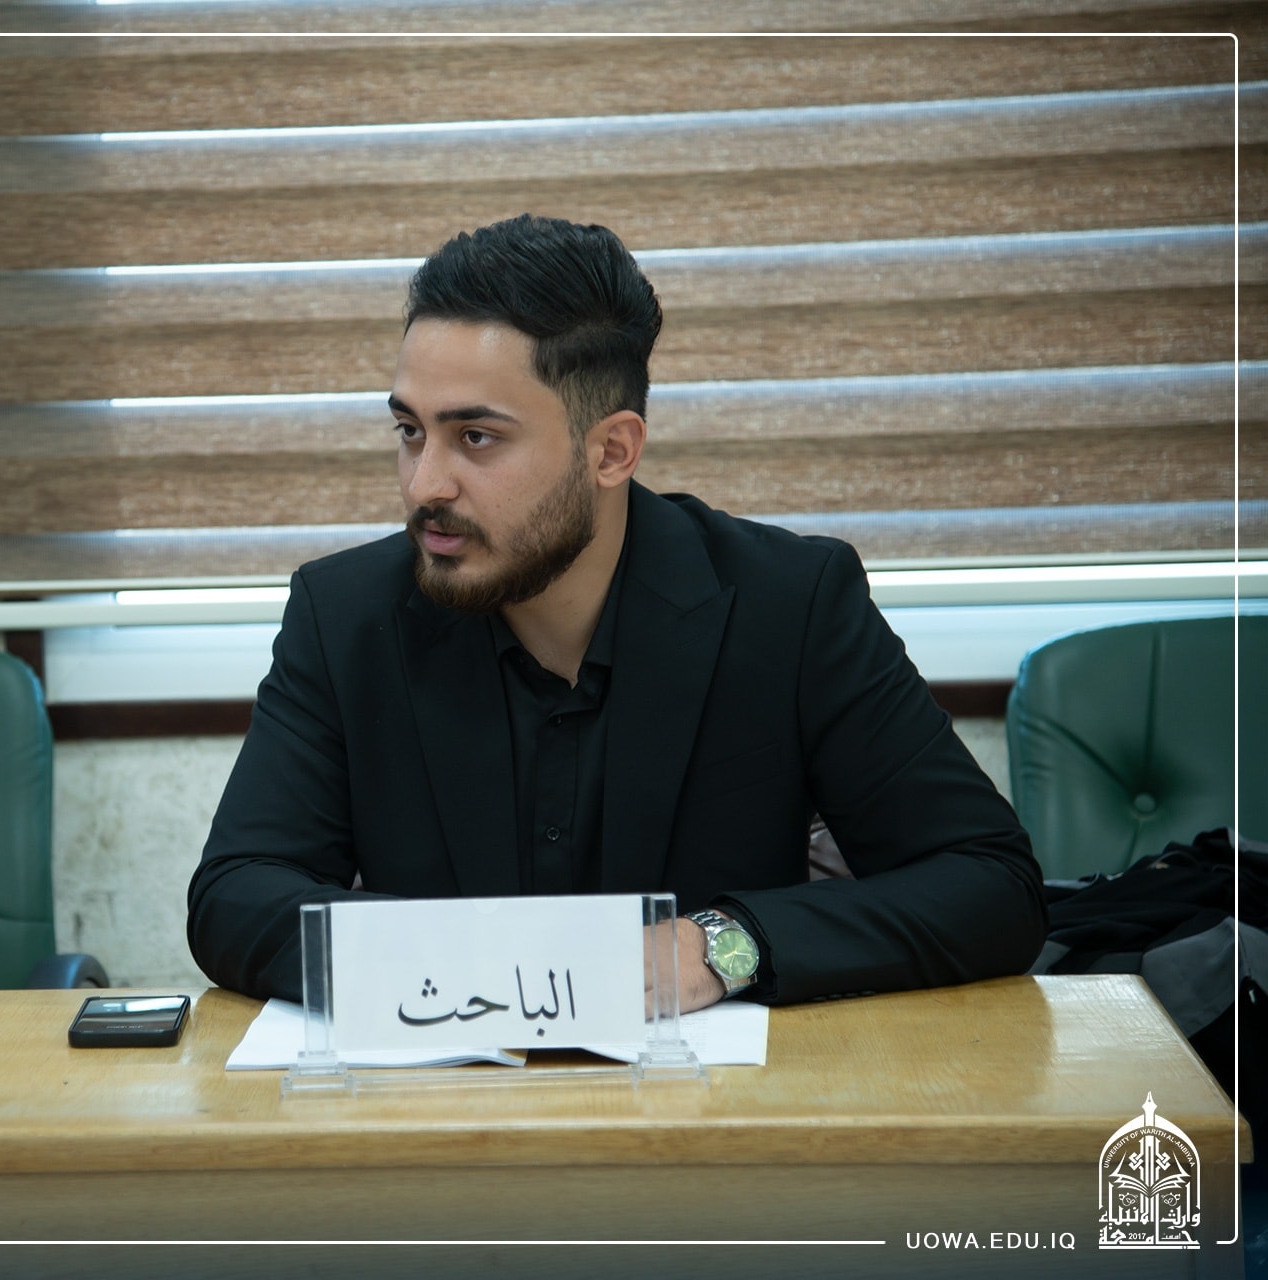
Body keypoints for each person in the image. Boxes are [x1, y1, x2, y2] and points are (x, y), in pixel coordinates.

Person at [186, 214, 1046, 1012]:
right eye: (410, 431)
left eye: (475, 438)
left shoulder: (790, 603)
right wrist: (470, 960)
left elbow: (991, 884)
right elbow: (234, 897)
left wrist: (722, 946)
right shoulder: (346, 617)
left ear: (611, 451)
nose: (425, 484)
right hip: (447, 1105)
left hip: (718, 1110)